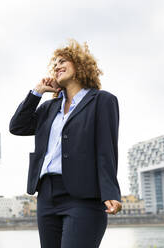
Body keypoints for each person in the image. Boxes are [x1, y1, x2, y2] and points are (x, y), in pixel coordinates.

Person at [9, 39, 122, 248]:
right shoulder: (48, 108)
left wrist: (111, 192)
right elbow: (17, 126)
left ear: (80, 65)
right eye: (55, 64)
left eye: (63, 61)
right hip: (47, 196)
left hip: (83, 196)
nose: (57, 67)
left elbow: (107, 149)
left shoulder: (102, 101)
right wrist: (37, 92)